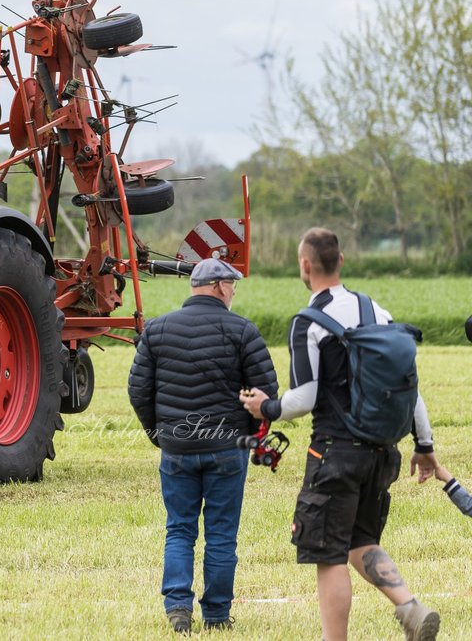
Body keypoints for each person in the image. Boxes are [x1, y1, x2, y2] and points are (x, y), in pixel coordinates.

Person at [240, 227, 441, 641]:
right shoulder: (378, 312)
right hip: (382, 453)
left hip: (334, 453)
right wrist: (425, 446)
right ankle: (409, 608)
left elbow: (305, 397)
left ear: (305, 266)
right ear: (342, 261)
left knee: (329, 556)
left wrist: (267, 407)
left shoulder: (307, 322)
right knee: (360, 540)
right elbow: (409, 389)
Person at [128, 257, 278, 634]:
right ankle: (216, 615)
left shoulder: (158, 330)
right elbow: (267, 395)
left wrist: (159, 434)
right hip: (228, 448)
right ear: (219, 287)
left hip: (176, 449)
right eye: (233, 285)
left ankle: (178, 605)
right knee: (222, 534)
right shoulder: (242, 331)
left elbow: (137, 390)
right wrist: (250, 433)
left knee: (179, 529)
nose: (234, 292)